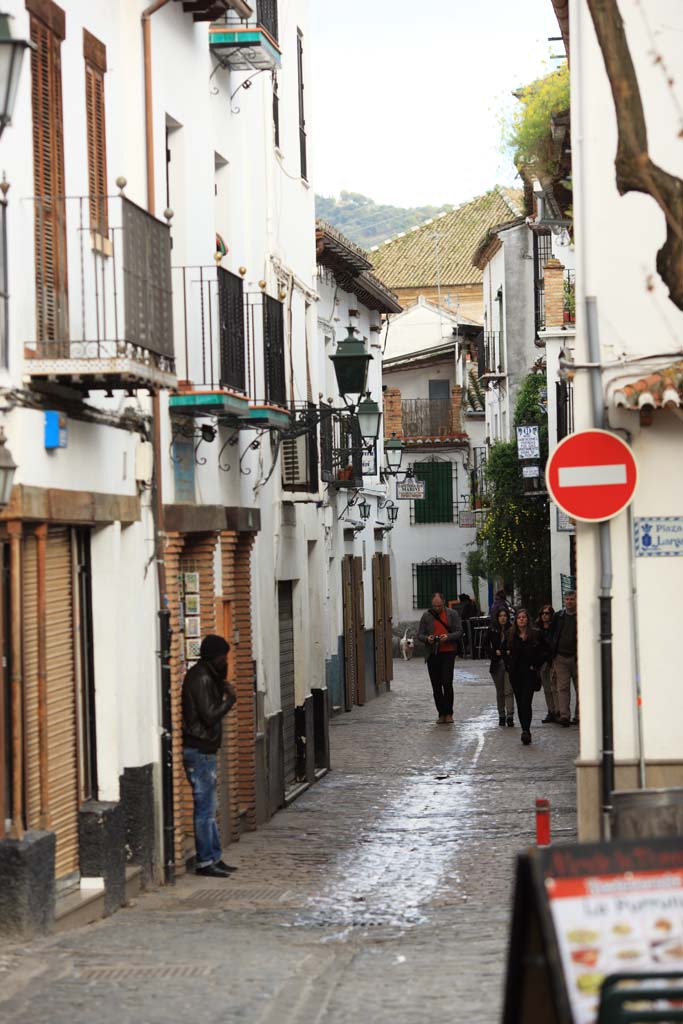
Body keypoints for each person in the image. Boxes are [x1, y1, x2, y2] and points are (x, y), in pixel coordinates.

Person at [182, 634, 237, 877]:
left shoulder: (208, 676)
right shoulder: (201, 678)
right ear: (215, 657)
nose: (226, 662)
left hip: (205, 749)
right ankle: (205, 861)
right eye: (224, 657)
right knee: (204, 809)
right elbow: (209, 715)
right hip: (199, 750)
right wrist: (230, 700)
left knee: (210, 807)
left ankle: (214, 856)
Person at [417, 593, 463, 724]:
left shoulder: (452, 614)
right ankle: (441, 713)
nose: (437, 608)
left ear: (444, 603)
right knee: (436, 685)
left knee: (447, 682)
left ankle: (449, 713)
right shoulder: (426, 616)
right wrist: (428, 638)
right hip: (433, 653)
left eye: (439, 606)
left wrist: (447, 637)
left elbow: (459, 631)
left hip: (448, 652)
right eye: (435, 606)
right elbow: (419, 634)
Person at [505, 608, 548, 745]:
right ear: (516, 620)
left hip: (529, 673)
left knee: (526, 701)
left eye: (524, 617)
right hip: (516, 674)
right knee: (519, 702)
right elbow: (503, 651)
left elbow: (547, 650)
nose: (522, 619)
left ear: (528, 619)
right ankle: (524, 729)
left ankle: (526, 730)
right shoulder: (510, 634)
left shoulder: (535, 634)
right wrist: (509, 666)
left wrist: (536, 664)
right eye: (519, 617)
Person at [550, 590, 579, 727]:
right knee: (563, 687)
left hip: (578, 657)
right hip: (561, 656)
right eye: (567, 599)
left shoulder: (581, 616)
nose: (569, 602)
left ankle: (579, 715)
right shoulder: (559, 616)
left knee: (581, 688)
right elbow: (553, 634)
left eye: (572, 599)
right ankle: (564, 715)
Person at [487, 607, 514, 727]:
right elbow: (485, 646)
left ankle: (510, 716)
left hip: (509, 664)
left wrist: (510, 651)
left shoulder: (513, 629)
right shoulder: (492, 630)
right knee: (500, 691)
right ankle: (501, 715)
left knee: (508, 690)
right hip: (497, 664)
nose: (503, 618)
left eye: (505, 616)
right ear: (497, 618)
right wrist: (494, 652)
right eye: (500, 616)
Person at [536, 604, 558, 723]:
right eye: (542, 613)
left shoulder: (555, 628)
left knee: (556, 688)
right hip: (542, 662)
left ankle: (558, 711)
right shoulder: (537, 629)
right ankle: (551, 711)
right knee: (547, 689)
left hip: (554, 660)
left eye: (547, 613)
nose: (544, 616)